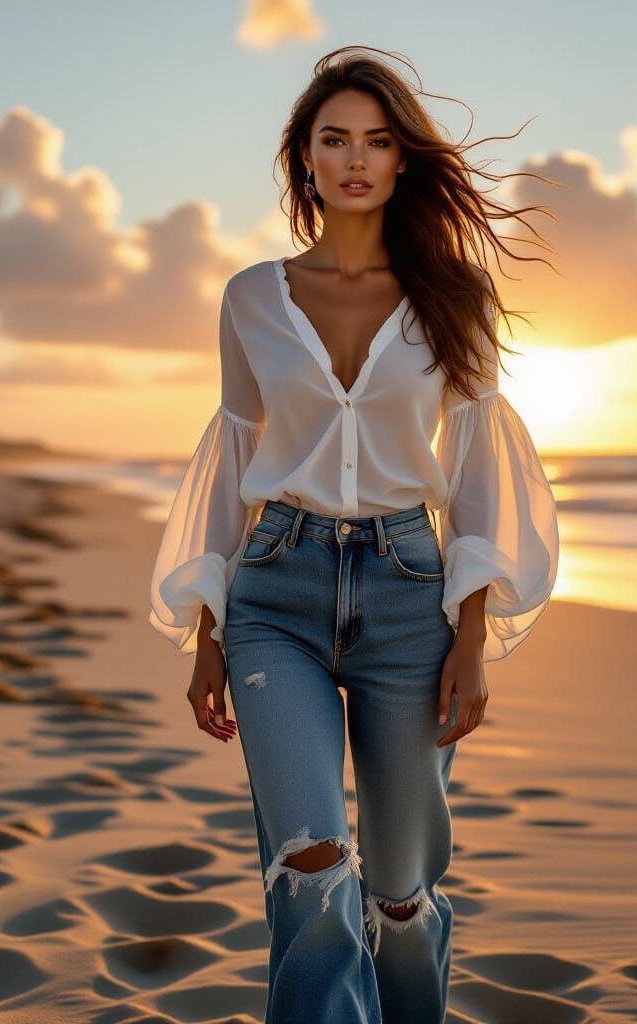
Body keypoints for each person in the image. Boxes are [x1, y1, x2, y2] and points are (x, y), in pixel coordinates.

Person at [149, 45, 560, 1024]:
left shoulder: (452, 296)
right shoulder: (251, 297)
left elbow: (473, 468)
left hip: (408, 590)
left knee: (401, 901)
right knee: (308, 865)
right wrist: (207, 626)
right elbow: (235, 451)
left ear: (403, 160)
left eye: (377, 139)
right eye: (333, 138)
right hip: (274, 591)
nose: (356, 157)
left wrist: (471, 635)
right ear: (304, 158)